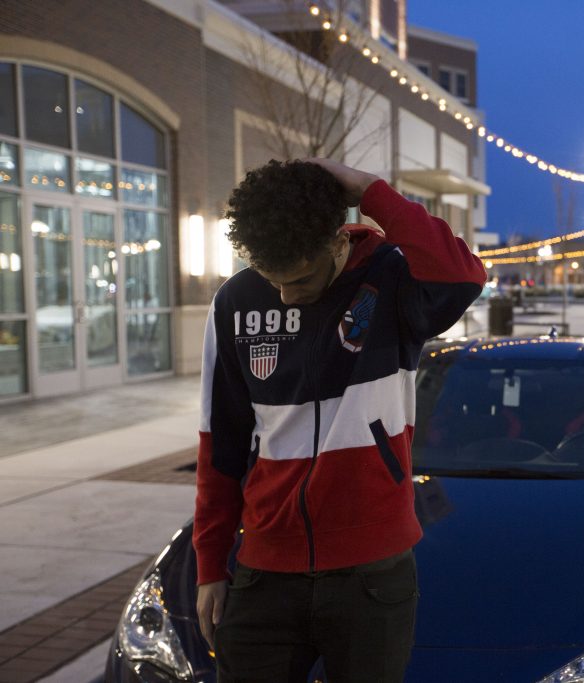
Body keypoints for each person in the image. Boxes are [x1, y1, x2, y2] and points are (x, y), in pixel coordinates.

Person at [194, 158, 486, 682]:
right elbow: (221, 445)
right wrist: (211, 564)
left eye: (300, 278)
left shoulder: (393, 278)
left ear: (337, 240)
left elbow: (461, 273)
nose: (286, 294)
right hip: (265, 571)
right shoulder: (234, 302)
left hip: (371, 574)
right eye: (271, 280)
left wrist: (373, 192)